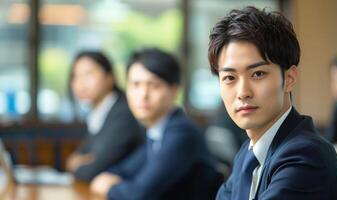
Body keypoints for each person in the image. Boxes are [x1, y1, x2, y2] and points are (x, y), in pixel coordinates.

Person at [208, 6, 337, 200]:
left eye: (258, 74)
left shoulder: (306, 157)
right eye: (230, 77)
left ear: (289, 79)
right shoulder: (247, 154)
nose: (242, 93)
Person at [90, 48, 222, 200]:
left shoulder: (181, 133)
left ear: (174, 90)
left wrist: (110, 187)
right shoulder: (156, 130)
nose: (143, 95)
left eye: (154, 85)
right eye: (136, 85)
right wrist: (109, 177)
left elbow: (139, 194)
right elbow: (126, 170)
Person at [66, 51, 144, 182]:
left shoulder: (123, 113)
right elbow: (75, 158)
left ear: (110, 77)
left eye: (88, 74)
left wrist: (83, 162)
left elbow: (91, 171)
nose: (81, 83)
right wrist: (86, 160)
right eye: (75, 76)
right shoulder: (98, 114)